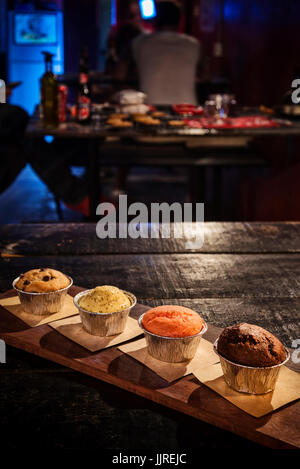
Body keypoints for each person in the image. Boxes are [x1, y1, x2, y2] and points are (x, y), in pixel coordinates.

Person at [132, 2, 201, 105]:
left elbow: (120, 73)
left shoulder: (140, 42)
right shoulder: (193, 44)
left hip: (151, 107)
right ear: (179, 20)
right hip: (188, 108)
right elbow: (205, 74)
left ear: (156, 19)